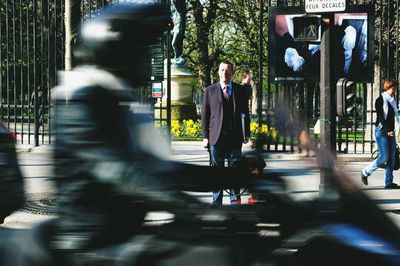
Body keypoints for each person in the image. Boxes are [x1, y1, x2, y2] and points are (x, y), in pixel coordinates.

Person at [50, 2, 251, 260]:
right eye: (142, 49)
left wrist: (235, 177)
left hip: (125, 239)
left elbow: (164, 170)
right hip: (92, 247)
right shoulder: (82, 109)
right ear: (120, 52)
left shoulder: (117, 103)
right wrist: (191, 207)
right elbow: (122, 173)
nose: (149, 58)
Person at [201, 60, 251, 205]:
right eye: (222, 70)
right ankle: (216, 203)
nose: (225, 73)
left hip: (234, 138)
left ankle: (235, 202)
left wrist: (246, 133)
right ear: (218, 72)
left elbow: (245, 114)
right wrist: (205, 137)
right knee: (217, 173)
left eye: (228, 70)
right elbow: (204, 116)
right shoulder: (209, 91)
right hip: (216, 139)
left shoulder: (239, 91)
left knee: (234, 171)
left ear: (232, 72)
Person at [361, 78, 399, 189]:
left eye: (395, 88)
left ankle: (388, 183)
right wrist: (388, 130)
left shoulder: (392, 101)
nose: (394, 90)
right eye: (393, 87)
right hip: (382, 131)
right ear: (387, 87)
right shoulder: (380, 100)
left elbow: (393, 118)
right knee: (384, 156)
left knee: (391, 157)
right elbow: (381, 118)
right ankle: (365, 172)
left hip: (391, 132)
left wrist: (393, 130)